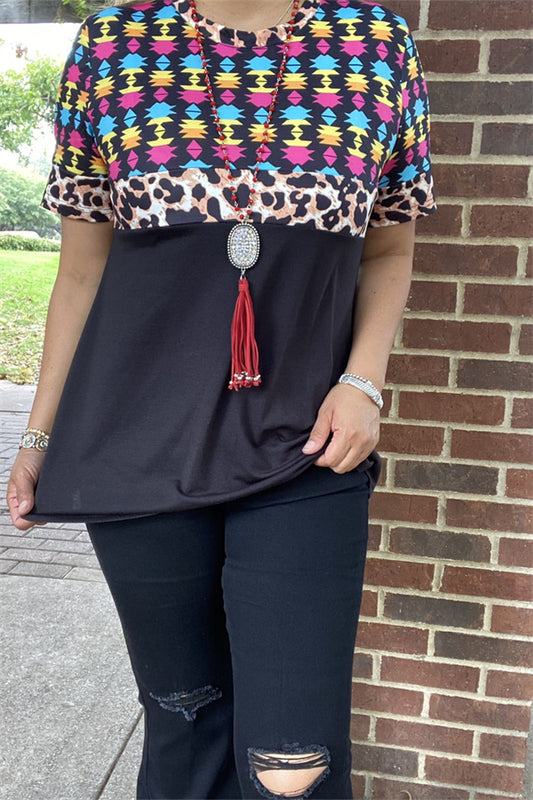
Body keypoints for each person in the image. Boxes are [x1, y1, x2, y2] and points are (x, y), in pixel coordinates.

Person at [7, 0, 437, 797]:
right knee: (185, 722)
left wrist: (362, 382)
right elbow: (82, 271)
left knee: (293, 764)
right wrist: (38, 438)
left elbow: (389, 248)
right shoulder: (112, 43)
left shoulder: (375, 44)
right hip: (135, 446)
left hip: (306, 447)